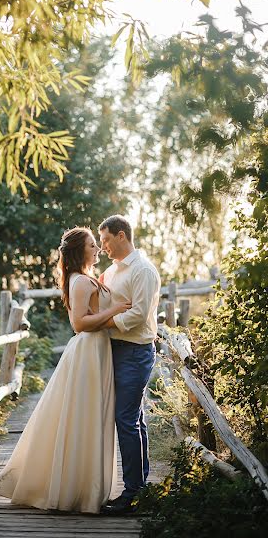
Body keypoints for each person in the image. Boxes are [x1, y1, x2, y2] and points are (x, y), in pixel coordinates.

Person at [0, 227, 131, 513]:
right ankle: (71, 491)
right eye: (93, 245)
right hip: (88, 351)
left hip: (99, 350)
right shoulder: (79, 281)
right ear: (80, 251)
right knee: (83, 418)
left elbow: (93, 314)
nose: (98, 249)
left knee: (90, 418)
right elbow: (79, 324)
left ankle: (83, 487)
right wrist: (115, 312)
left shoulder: (87, 278)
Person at [98, 214, 161, 515]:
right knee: (133, 419)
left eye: (106, 240)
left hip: (135, 351)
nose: (103, 247)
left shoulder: (143, 270)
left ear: (122, 236)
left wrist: (104, 321)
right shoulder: (110, 272)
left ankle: (132, 492)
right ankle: (141, 487)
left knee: (125, 420)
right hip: (114, 349)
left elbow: (137, 314)